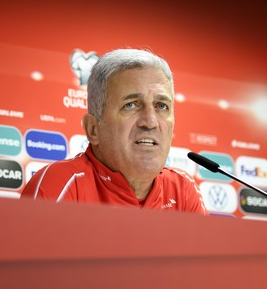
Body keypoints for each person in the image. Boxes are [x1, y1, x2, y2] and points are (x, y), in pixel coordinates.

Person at [21, 48, 207, 215]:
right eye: (131, 105)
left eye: (161, 106)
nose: (150, 122)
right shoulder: (59, 184)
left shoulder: (182, 191)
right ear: (93, 129)